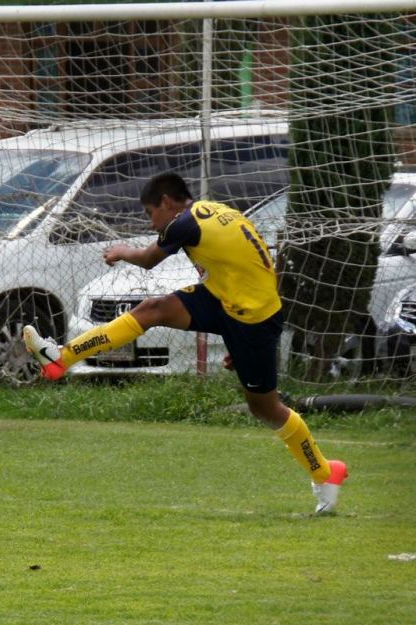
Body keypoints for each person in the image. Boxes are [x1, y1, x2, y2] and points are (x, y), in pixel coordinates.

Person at [23, 172, 347, 513]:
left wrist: (121, 251)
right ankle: (61, 357)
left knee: (264, 408)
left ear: (166, 202)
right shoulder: (217, 210)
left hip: (252, 320)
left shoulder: (185, 222)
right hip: (227, 300)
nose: (152, 224)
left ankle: (326, 472)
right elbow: (252, 265)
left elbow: (149, 260)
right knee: (153, 309)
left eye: (150, 214)